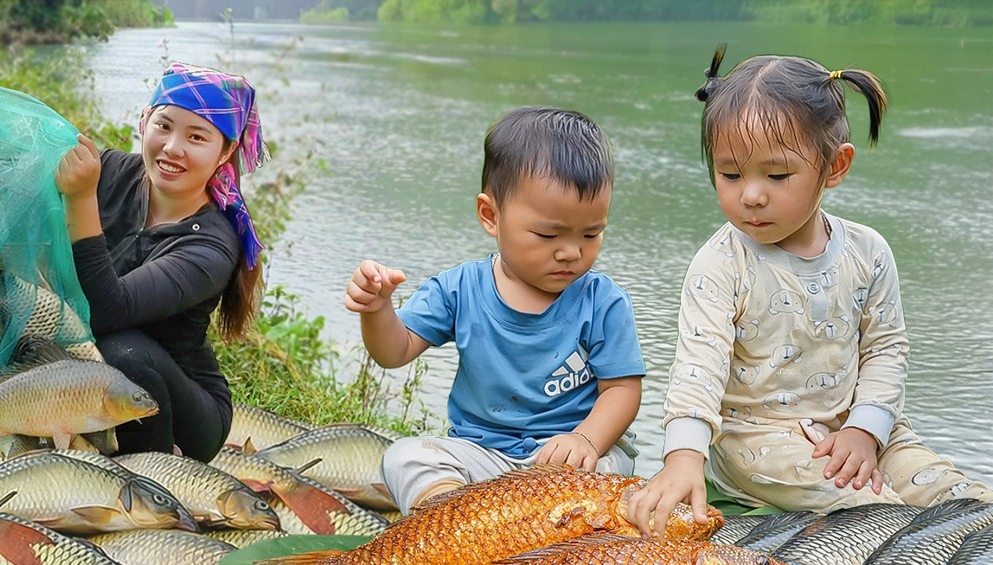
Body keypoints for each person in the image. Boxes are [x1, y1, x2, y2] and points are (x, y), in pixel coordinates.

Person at [627, 45, 993, 538]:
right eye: (730, 174)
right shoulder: (720, 264)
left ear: (835, 167)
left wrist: (865, 429)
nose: (750, 194)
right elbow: (698, 367)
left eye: (776, 175)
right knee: (880, 514)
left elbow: (886, 348)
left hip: (864, 426)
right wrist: (684, 457)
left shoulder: (869, 251)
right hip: (759, 443)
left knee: (966, 502)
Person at [345, 106, 646, 515]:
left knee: (614, 473)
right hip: (485, 459)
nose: (571, 252)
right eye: (548, 234)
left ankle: (541, 528)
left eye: (591, 233)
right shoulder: (459, 289)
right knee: (406, 457)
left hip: (569, 462)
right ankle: (453, 521)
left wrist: (587, 440)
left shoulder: (603, 301)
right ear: (491, 215)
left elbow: (622, 390)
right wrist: (377, 309)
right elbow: (393, 352)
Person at [53, 62, 269, 462]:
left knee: (123, 353)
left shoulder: (212, 246)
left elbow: (105, 311)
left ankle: (152, 472)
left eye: (196, 137)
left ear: (226, 152)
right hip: (95, 368)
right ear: (144, 121)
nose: (172, 148)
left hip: (186, 411)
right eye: (164, 126)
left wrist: (80, 200)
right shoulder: (112, 171)